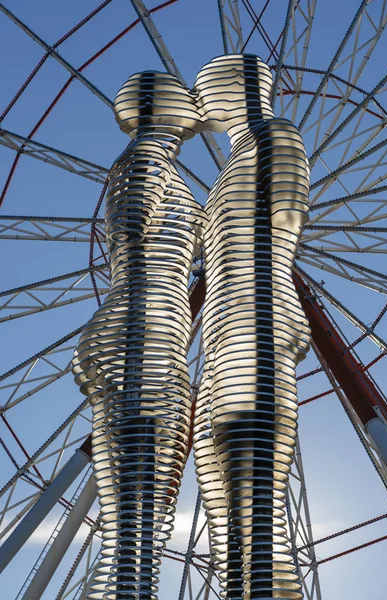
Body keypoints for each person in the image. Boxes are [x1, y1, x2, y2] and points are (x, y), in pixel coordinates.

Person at [73, 71, 205, 599]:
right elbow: (129, 232)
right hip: (138, 335)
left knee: (149, 502)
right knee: (134, 508)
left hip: (159, 336)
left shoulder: (163, 168)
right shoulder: (144, 160)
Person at [193, 54, 311, 599]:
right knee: (219, 492)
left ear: (234, 87)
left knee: (257, 503)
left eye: (206, 91)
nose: (200, 105)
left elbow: (279, 234)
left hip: (254, 327)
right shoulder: (236, 159)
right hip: (222, 337)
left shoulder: (274, 136)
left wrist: (274, 313)